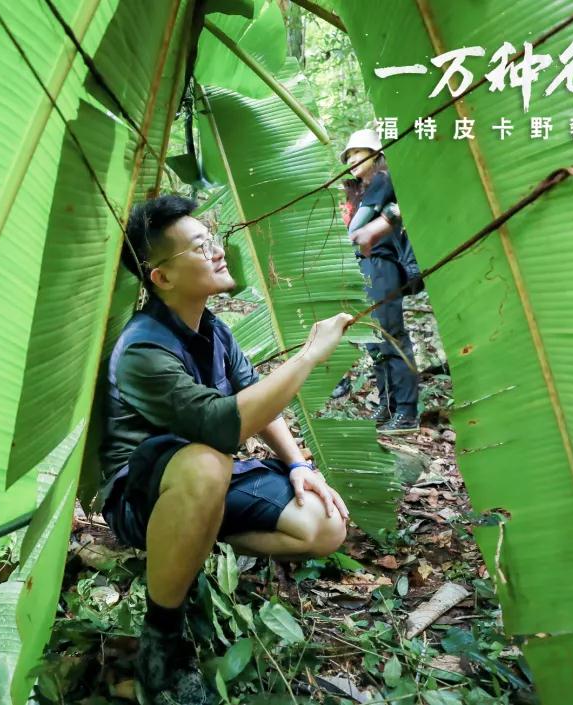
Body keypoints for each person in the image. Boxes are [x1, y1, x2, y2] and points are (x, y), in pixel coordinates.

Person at [98, 194, 353, 705]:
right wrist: (308, 356)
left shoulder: (212, 329)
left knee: (323, 525)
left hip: (207, 482)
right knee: (207, 460)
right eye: (199, 245)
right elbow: (222, 425)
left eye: (212, 239)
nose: (217, 251)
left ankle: (187, 549)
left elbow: (255, 396)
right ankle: (162, 641)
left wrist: (301, 465)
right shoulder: (143, 348)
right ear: (161, 278)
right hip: (143, 497)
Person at [339, 128, 421, 434]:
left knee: (392, 338)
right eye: (349, 156)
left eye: (358, 154)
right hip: (364, 266)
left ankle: (407, 412)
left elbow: (357, 231)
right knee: (376, 342)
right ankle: (388, 408)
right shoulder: (360, 191)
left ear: (376, 154)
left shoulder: (384, 181)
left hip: (381, 266)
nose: (352, 161)